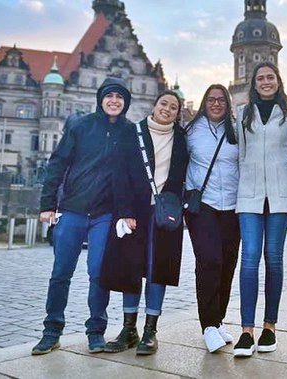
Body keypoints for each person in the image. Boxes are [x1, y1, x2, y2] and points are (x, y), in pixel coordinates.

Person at [32, 77, 133, 355]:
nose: (114, 101)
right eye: (110, 96)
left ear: (126, 103)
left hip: (104, 213)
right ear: (101, 99)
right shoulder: (81, 126)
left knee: (99, 273)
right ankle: (51, 331)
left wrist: (127, 212)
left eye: (120, 97)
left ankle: (96, 331)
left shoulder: (129, 132)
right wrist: (48, 204)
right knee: (61, 273)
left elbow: (130, 176)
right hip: (72, 209)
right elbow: (57, 164)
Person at [102, 90, 188, 356]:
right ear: (154, 105)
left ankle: (150, 331)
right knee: (130, 268)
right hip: (135, 212)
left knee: (158, 269)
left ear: (178, 112)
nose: (167, 109)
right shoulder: (133, 132)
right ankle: (129, 329)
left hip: (165, 214)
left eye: (173, 107)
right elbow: (120, 173)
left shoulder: (182, 138)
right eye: (164, 103)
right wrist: (124, 211)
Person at [233, 62, 287, 357]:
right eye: (260, 78)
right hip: (249, 194)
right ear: (254, 83)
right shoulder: (242, 114)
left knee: (273, 257)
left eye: (270, 77)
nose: (265, 82)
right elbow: (240, 154)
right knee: (249, 257)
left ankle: (269, 327)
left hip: (280, 192)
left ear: (278, 81)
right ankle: (246, 330)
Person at [184, 84, 240, 353]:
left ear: (227, 103)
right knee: (209, 261)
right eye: (211, 100)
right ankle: (207, 325)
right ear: (204, 103)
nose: (216, 104)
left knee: (228, 263)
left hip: (232, 206)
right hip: (202, 205)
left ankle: (218, 320)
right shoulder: (191, 132)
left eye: (221, 100)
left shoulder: (237, 130)